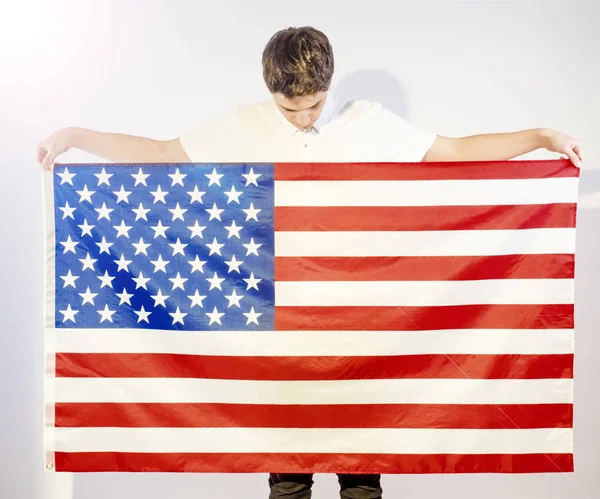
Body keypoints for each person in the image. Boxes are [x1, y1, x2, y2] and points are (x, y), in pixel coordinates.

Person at [36, 26, 584, 499]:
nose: (302, 118)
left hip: (363, 332)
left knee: (364, 476)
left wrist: (541, 136)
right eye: (288, 108)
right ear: (269, 90)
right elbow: (159, 154)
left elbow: (458, 151)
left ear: (330, 85)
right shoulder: (240, 123)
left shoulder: (367, 122)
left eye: (314, 105)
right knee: (287, 477)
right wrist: (76, 136)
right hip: (276, 335)